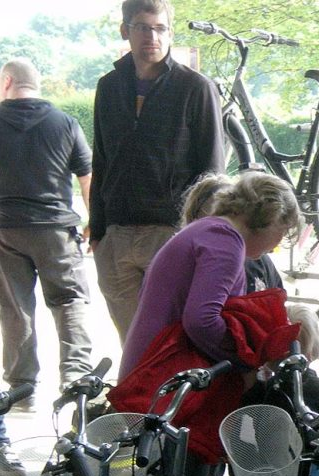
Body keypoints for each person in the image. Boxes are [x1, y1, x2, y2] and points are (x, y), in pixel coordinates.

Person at [179, 174, 319, 474]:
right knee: (222, 461)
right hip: (225, 381)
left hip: (262, 380)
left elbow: (276, 313)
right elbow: (203, 321)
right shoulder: (216, 255)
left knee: (270, 453)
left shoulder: (260, 261)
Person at [115, 171, 300, 476]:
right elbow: (201, 320)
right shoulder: (226, 240)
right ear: (271, 216)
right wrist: (241, 361)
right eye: (283, 231)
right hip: (170, 381)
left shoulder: (206, 231)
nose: (278, 242)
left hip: (155, 373)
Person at [90, 0, 225, 344]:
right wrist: (99, 232)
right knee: (131, 343)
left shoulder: (195, 88)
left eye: (160, 28)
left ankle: (173, 400)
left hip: (171, 233)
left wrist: (201, 236)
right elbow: (101, 160)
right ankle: (140, 399)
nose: (152, 36)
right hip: (116, 237)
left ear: (170, 32)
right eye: (142, 27)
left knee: (172, 341)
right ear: (126, 31)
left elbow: (212, 172)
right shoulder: (108, 87)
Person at [0, 58, 94, 406]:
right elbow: (87, 176)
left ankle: (22, 385)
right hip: (55, 229)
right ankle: (76, 377)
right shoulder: (64, 122)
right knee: (69, 299)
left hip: (5, 230)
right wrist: (92, 220)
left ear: (7, 81)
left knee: (15, 307)